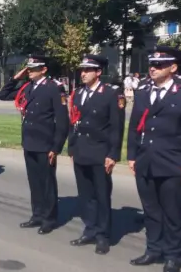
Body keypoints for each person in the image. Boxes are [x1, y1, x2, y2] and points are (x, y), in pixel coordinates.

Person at [127, 46, 181, 272]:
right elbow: (135, 126)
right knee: (151, 211)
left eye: (159, 65)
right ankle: (153, 250)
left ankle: (174, 255)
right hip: (145, 161)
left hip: (173, 164)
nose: (153, 68)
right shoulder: (143, 91)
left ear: (173, 68)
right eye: (151, 64)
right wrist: (132, 156)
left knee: (173, 213)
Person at [0, 54, 69, 235]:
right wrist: (16, 77)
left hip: (45, 144)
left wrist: (56, 147)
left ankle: (49, 219)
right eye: (28, 68)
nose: (30, 71)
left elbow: (62, 121)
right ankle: (37, 214)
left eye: (34, 68)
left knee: (47, 183)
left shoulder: (55, 89)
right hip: (29, 142)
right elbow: (3, 94)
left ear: (44, 69)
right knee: (34, 182)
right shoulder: (27, 87)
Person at [67, 55, 124, 255]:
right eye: (82, 70)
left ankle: (103, 236)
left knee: (101, 195)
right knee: (85, 196)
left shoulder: (110, 94)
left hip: (100, 152)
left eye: (88, 70)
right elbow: (73, 122)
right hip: (81, 151)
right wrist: (71, 147)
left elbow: (116, 128)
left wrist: (113, 154)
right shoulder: (78, 93)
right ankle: (89, 229)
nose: (83, 74)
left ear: (98, 72)